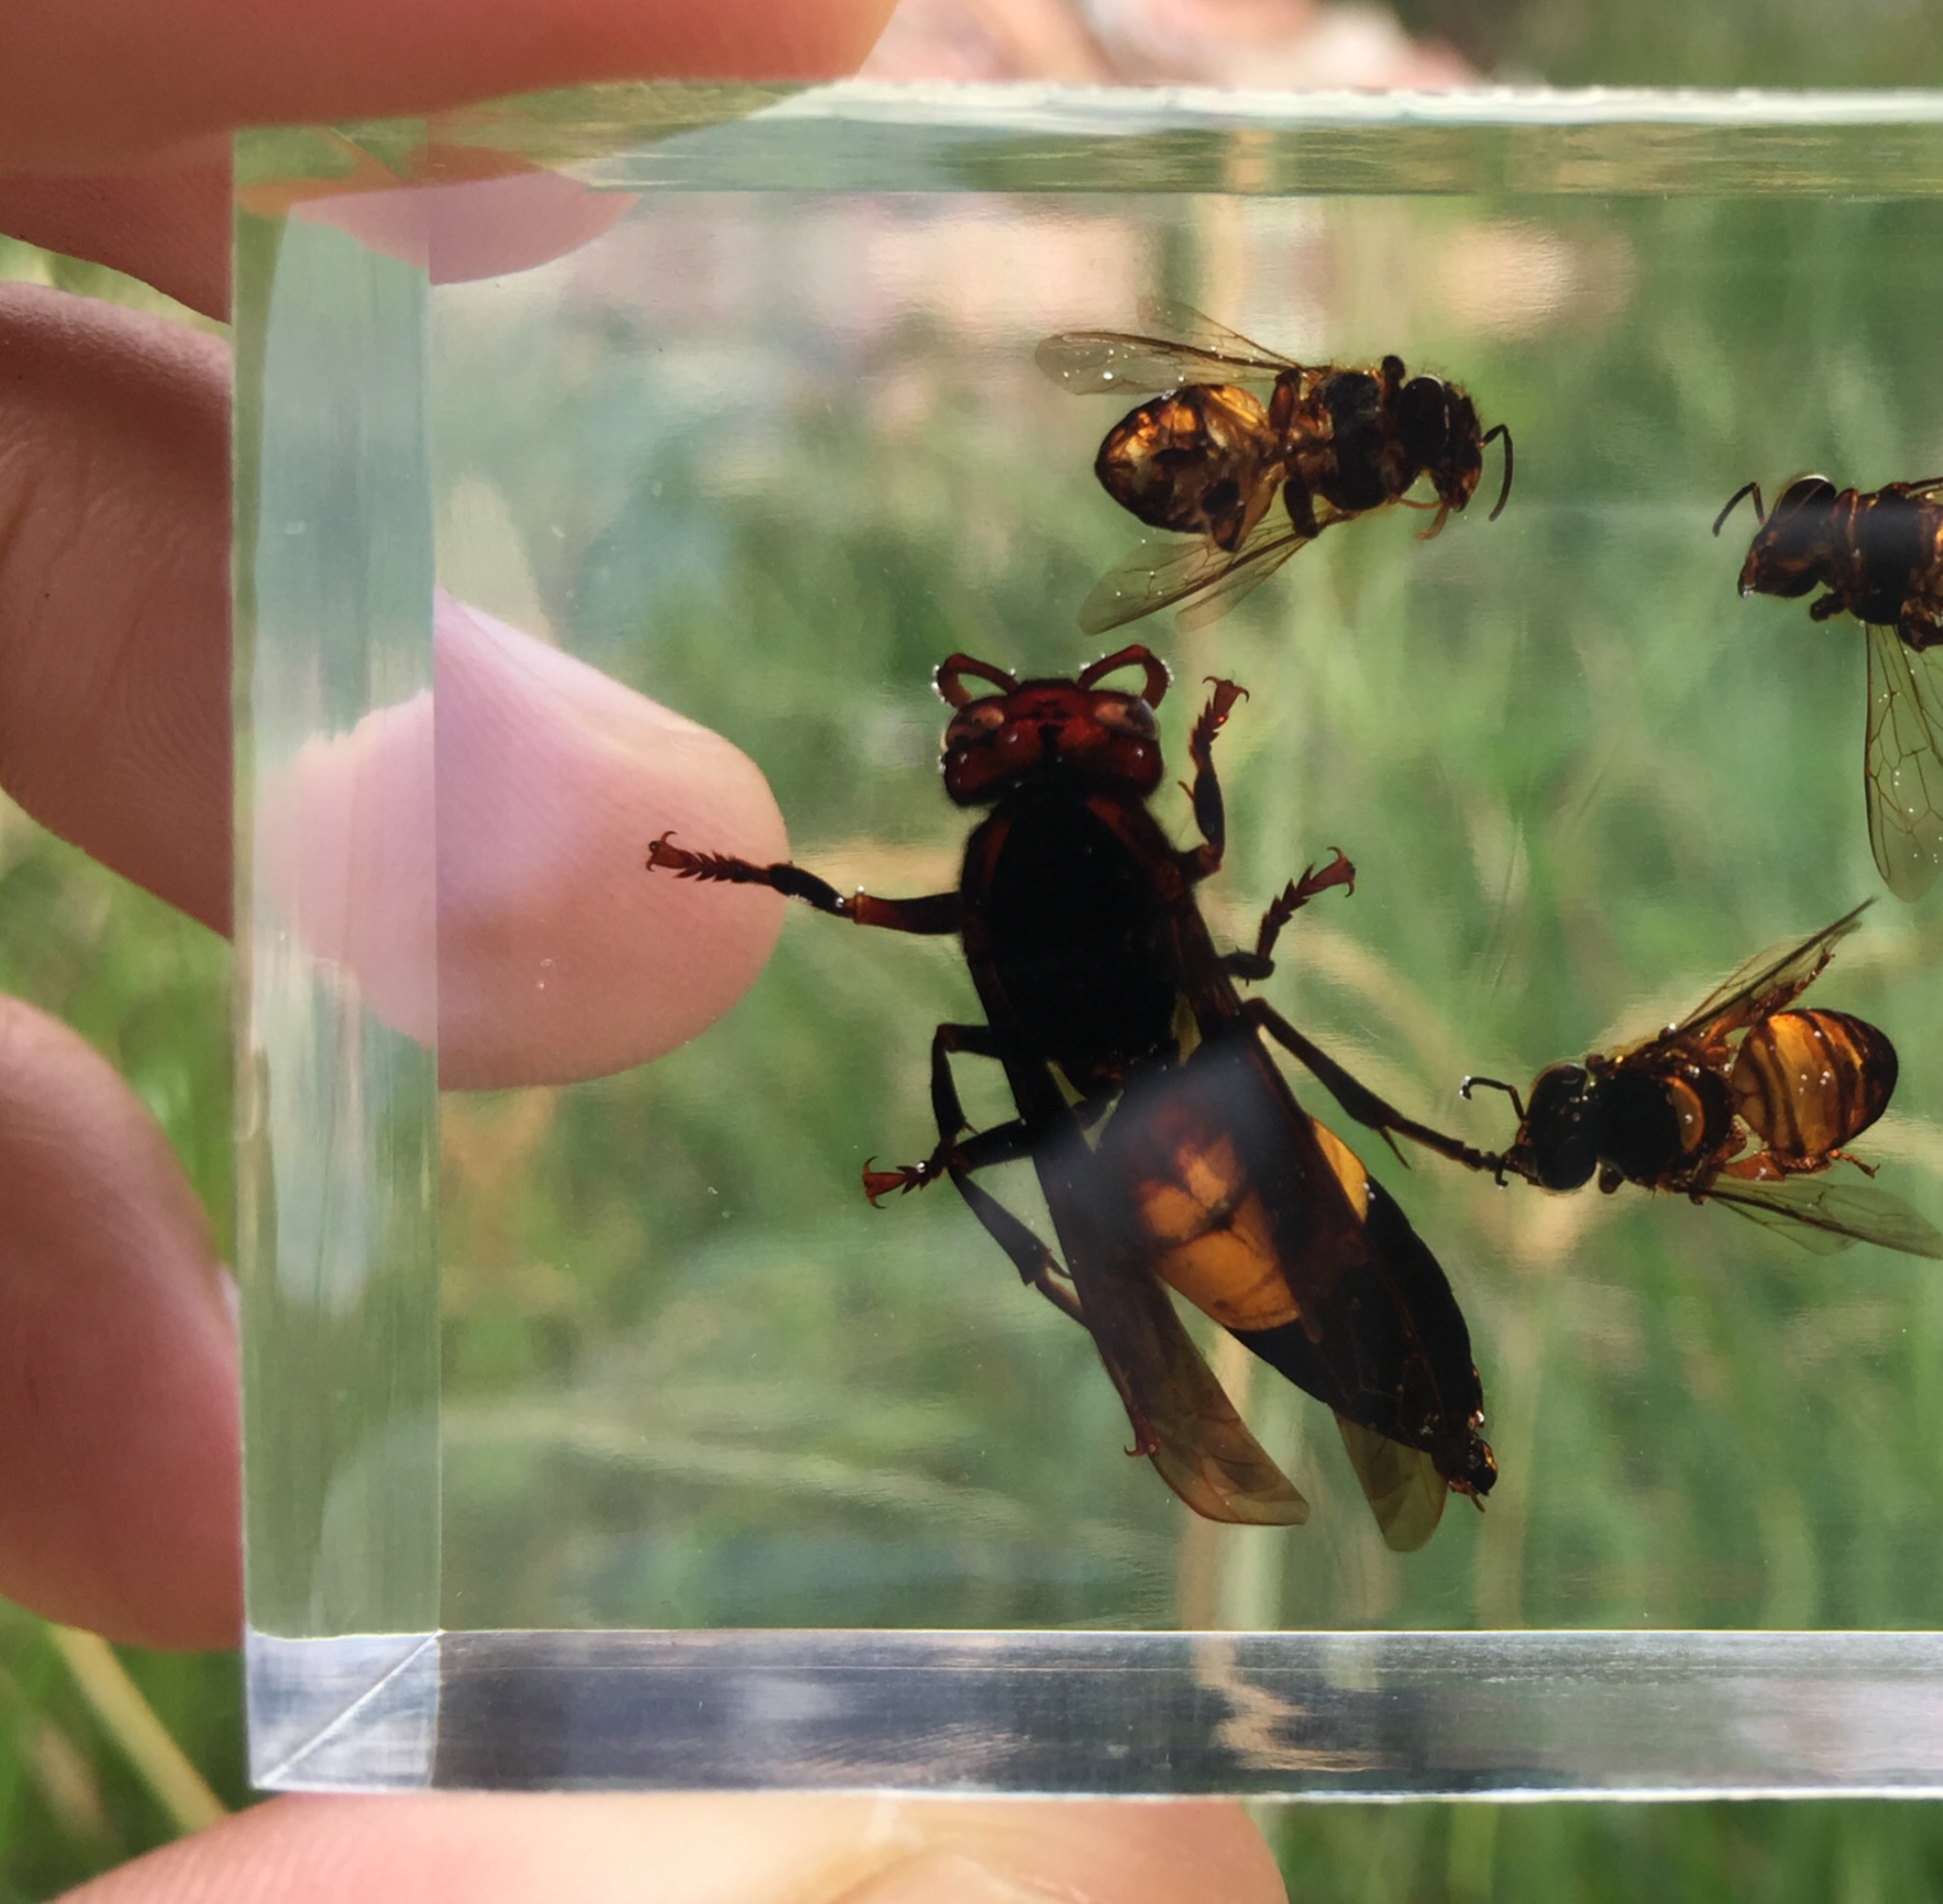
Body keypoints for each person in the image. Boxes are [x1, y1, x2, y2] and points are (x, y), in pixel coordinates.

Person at [0, 5, 1282, 1898]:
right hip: (1140, 1098)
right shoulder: (1062, 865)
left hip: (1168, 1102)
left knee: (1107, 1109)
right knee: (1075, 1119)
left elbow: (971, 925)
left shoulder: (1040, 869)